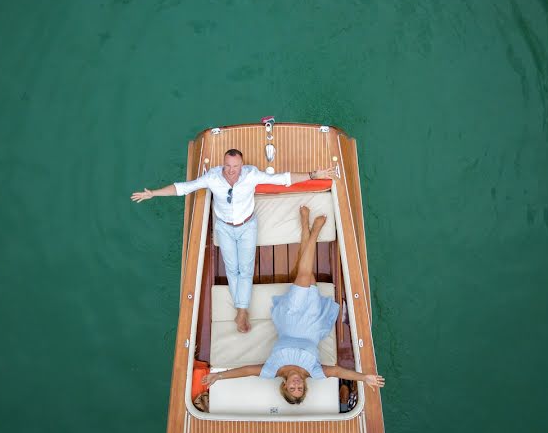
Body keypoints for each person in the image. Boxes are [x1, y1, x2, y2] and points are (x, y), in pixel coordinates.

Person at [131, 149, 335, 333]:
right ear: (223, 164)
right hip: (224, 227)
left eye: (235, 166)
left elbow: (283, 178)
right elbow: (184, 188)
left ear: (242, 165)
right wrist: (153, 194)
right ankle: (242, 309)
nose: (231, 170)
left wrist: (313, 175)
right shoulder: (213, 177)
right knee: (231, 268)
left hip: (247, 226)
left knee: (245, 270)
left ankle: (242, 311)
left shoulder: (251, 174)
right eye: (227, 166)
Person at [200, 206, 385, 404]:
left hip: (289, 320)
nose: (296, 384)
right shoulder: (313, 371)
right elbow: (338, 371)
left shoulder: (273, 370)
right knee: (306, 276)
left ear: (285, 386)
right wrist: (364, 378)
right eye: (300, 388)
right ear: (304, 386)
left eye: (292, 388)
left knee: (304, 276)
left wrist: (219, 376)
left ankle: (313, 231)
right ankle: (306, 228)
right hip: (313, 323)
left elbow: (246, 371)